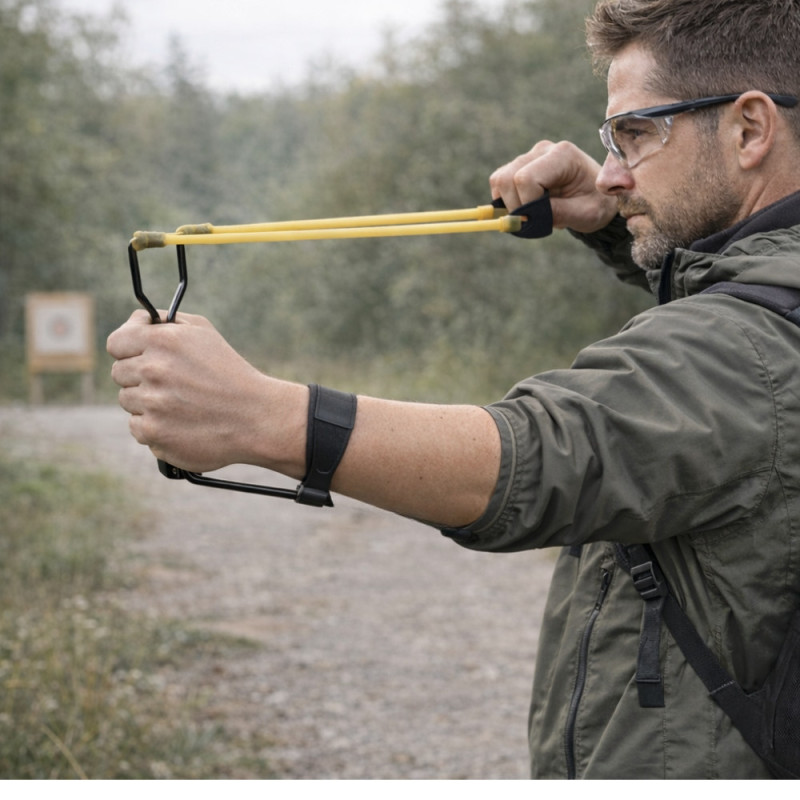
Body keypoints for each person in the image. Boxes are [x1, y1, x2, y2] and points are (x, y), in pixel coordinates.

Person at [108, 0, 800, 779]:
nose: (610, 171)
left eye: (637, 133)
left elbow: (544, 452)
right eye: (612, 142)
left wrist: (263, 417)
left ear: (748, 129)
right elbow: (733, 321)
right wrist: (617, 220)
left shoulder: (752, 350)